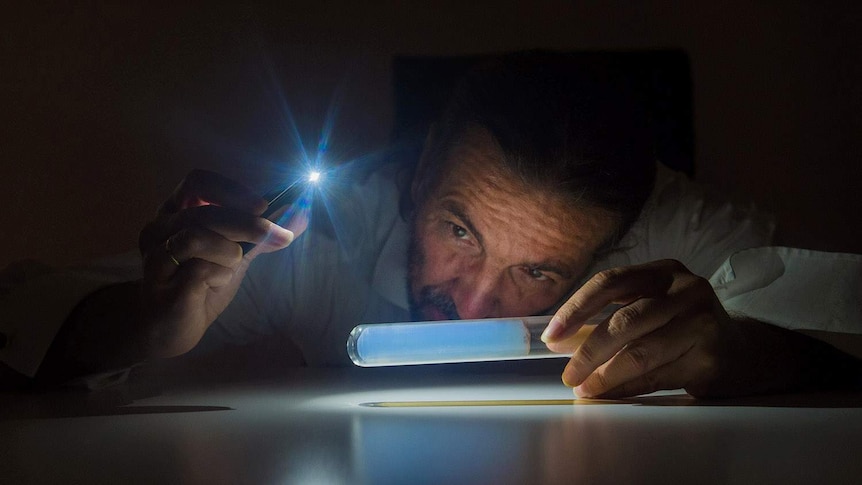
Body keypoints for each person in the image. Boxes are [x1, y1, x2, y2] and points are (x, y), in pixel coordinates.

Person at [2, 52, 860, 396]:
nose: (476, 305)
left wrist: (741, 348)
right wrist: (146, 324)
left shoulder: (680, 230)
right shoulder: (323, 231)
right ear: (415, 178)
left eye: (539, 271)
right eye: (459, 232)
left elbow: (843, 328)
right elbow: (26, 316)